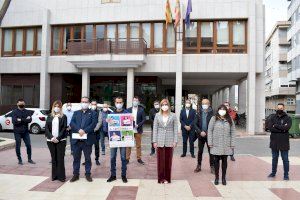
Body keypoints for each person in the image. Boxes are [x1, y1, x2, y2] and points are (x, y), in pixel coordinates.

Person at [69, 97, 97, 182]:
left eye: (86, 102)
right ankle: (75, 174)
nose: (84, 103)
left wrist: (84, 131)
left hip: (87, 140)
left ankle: (88, 174)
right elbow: (72, 123)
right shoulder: (76, 113)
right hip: (76, 141)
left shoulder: (93, 113)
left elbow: (93, 124)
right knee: (76, 158)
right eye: (82, 101)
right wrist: (79, 130)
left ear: (89, 103)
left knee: (87, 158)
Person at [208, 104, 235, 186]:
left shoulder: (229, 119)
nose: (222, 111)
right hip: (216, 144)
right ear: (218, 110)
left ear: (226, 111)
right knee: (216, 162)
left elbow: (233, 132)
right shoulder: (214, 118)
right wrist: (210, 142)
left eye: (224, 109)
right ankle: (216, 177)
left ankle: (223, 178)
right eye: (220, 109)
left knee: (224, 162)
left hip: (226, 144)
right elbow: (210, 130)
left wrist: (232, 144)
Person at [153, 99, 178, 184]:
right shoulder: (157, 115)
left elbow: (175, 129)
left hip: (169, 140)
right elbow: (155, 129)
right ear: (160, 106)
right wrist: (154, 141)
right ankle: (160, 178)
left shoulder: (173, 115)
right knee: (160, 161)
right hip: (159, 140)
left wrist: (175, 141)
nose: (164, 106)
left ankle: (167, 178)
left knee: (168, 160)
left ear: (169, 105)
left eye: (166, 104)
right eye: (163, 105)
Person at [267, 103, 292, 181]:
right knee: (274, 158)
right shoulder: (272, 117)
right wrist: (282, 129)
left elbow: (287, 127)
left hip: (284, 142)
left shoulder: (288, 118)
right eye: (278, 108)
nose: (279, 109)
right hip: (274, 141)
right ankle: (273, 172)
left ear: (283, 108)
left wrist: (276, 126)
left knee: (285, 159)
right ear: (276, 108)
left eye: (281, 108)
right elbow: (270, 128)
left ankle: (286, 175)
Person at [107, 96, 128, 183]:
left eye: (120, 102)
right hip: (114, 139)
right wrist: (107, 122)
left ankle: (123, 175)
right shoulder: (111, 114)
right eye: (117, 102)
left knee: (123, 158)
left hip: (123, 139)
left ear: (123, 103)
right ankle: (113, 175)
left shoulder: (127, 113)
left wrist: (132, 120)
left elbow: (131, 126)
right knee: (112, 157)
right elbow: (106, 128)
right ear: (115, 103)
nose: (119, 104)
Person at [45, 100, 67, 182]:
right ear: (53, 107)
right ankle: (54, 176)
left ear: (61, 108)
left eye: (58, 106)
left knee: (60, 158)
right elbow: (46, 128)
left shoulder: (63, 116)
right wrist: (51, 137)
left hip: (61, 140)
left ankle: (61, 176)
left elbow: (64, 128)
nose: (56, 108)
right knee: (53, 158)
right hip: (50, 140)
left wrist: (58, 138)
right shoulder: (49, 116)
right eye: (55, 106)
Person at [11, 99, 35, 165]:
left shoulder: (27, 111)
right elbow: (14, 122)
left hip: (25, 131)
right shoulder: (14, 112)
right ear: (17, 104)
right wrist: (24, 120)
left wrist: (20, 119)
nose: (22, 105)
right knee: (18, 146)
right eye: (20, 104)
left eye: (23, 104)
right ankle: (19, 160)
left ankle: (29, 159)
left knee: (28, 145)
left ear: (24, 104)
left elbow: (30, 120)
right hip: (17, 132)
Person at [194, 98, 214, 173]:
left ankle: (212, 167)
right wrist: (200, 132)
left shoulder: (213, 114)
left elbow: (214, 125)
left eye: (206, 103)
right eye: (203, 104)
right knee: (200, 151)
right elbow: (195, 124)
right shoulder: (198, 113)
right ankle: (198, 166)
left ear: (209, 104)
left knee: (211, 152)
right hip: (201, 135)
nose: (204, 105)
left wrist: (208, 132)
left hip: (209, 136)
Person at [126, 96, 146, 165]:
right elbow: (125, 118)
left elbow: (144, 119)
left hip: (138, 130)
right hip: (130, 130)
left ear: (138, 102)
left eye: (136, 100)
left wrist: (138, 125)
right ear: (132, 101)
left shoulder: (141, 110)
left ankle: (139, 158)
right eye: (134, 100)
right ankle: (127, 159)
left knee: (138, 145)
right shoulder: (128, 110)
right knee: (128, 145)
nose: (135, 102)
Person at [88, 100, 102, 166]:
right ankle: (87, 159)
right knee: (88, 147)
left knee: (96, 147)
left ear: (96, 105)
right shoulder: (88, 111)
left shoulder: (99, 112)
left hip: (96, 132)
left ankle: (97, 159)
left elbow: (100, 122)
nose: (94, 105)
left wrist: (95, 129)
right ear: (90, 104)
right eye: (92, 104)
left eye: (95, 104)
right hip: (89, 133)